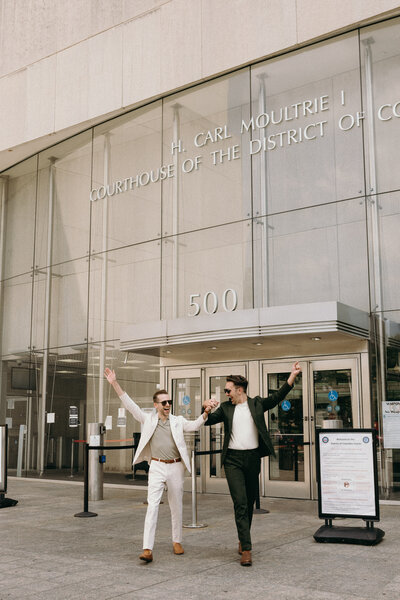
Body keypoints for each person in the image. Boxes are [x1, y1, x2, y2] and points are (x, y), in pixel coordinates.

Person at [104, 367, 216, 563]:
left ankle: (177, 541)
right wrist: (114, 383)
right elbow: (129, 404)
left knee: (176, 506)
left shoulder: (177, 420)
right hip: (156, 466)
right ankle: (147, 548)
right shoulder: (147, 419)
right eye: (164, 402)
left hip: (175, 467)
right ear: (155, 405)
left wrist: (206, 412)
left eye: (169, 401)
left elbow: (194, 425)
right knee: (152, 506)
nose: (168, 404)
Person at [203, 361, 301, 567]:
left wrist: (292, 376)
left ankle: (242, 537)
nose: (226, 393)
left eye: (228, 390)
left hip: (252, 458)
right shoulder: (226, 409)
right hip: (232, 460)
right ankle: (246, 549)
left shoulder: (256, 404)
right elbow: (208, 421)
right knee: (239, 502)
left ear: (239, 390)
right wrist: (205, 409)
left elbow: (277, 397)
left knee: (248, 503)